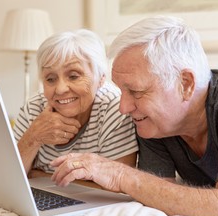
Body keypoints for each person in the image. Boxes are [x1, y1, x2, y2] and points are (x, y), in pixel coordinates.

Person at [50, 16, 218, 216]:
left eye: (136, 91)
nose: (124, 107)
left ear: (186, 84)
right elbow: (158, 193)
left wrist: (121, 175)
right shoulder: (153, 124)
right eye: (122, 91)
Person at [13, 29, 138, 181]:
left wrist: (40, 175)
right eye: (50, 79)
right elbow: (9, 179)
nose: (60, 89)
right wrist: (33, 137)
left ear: (101, 78)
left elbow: (119, 187)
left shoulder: (115, 110)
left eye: (73, 76)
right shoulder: (34, 108)